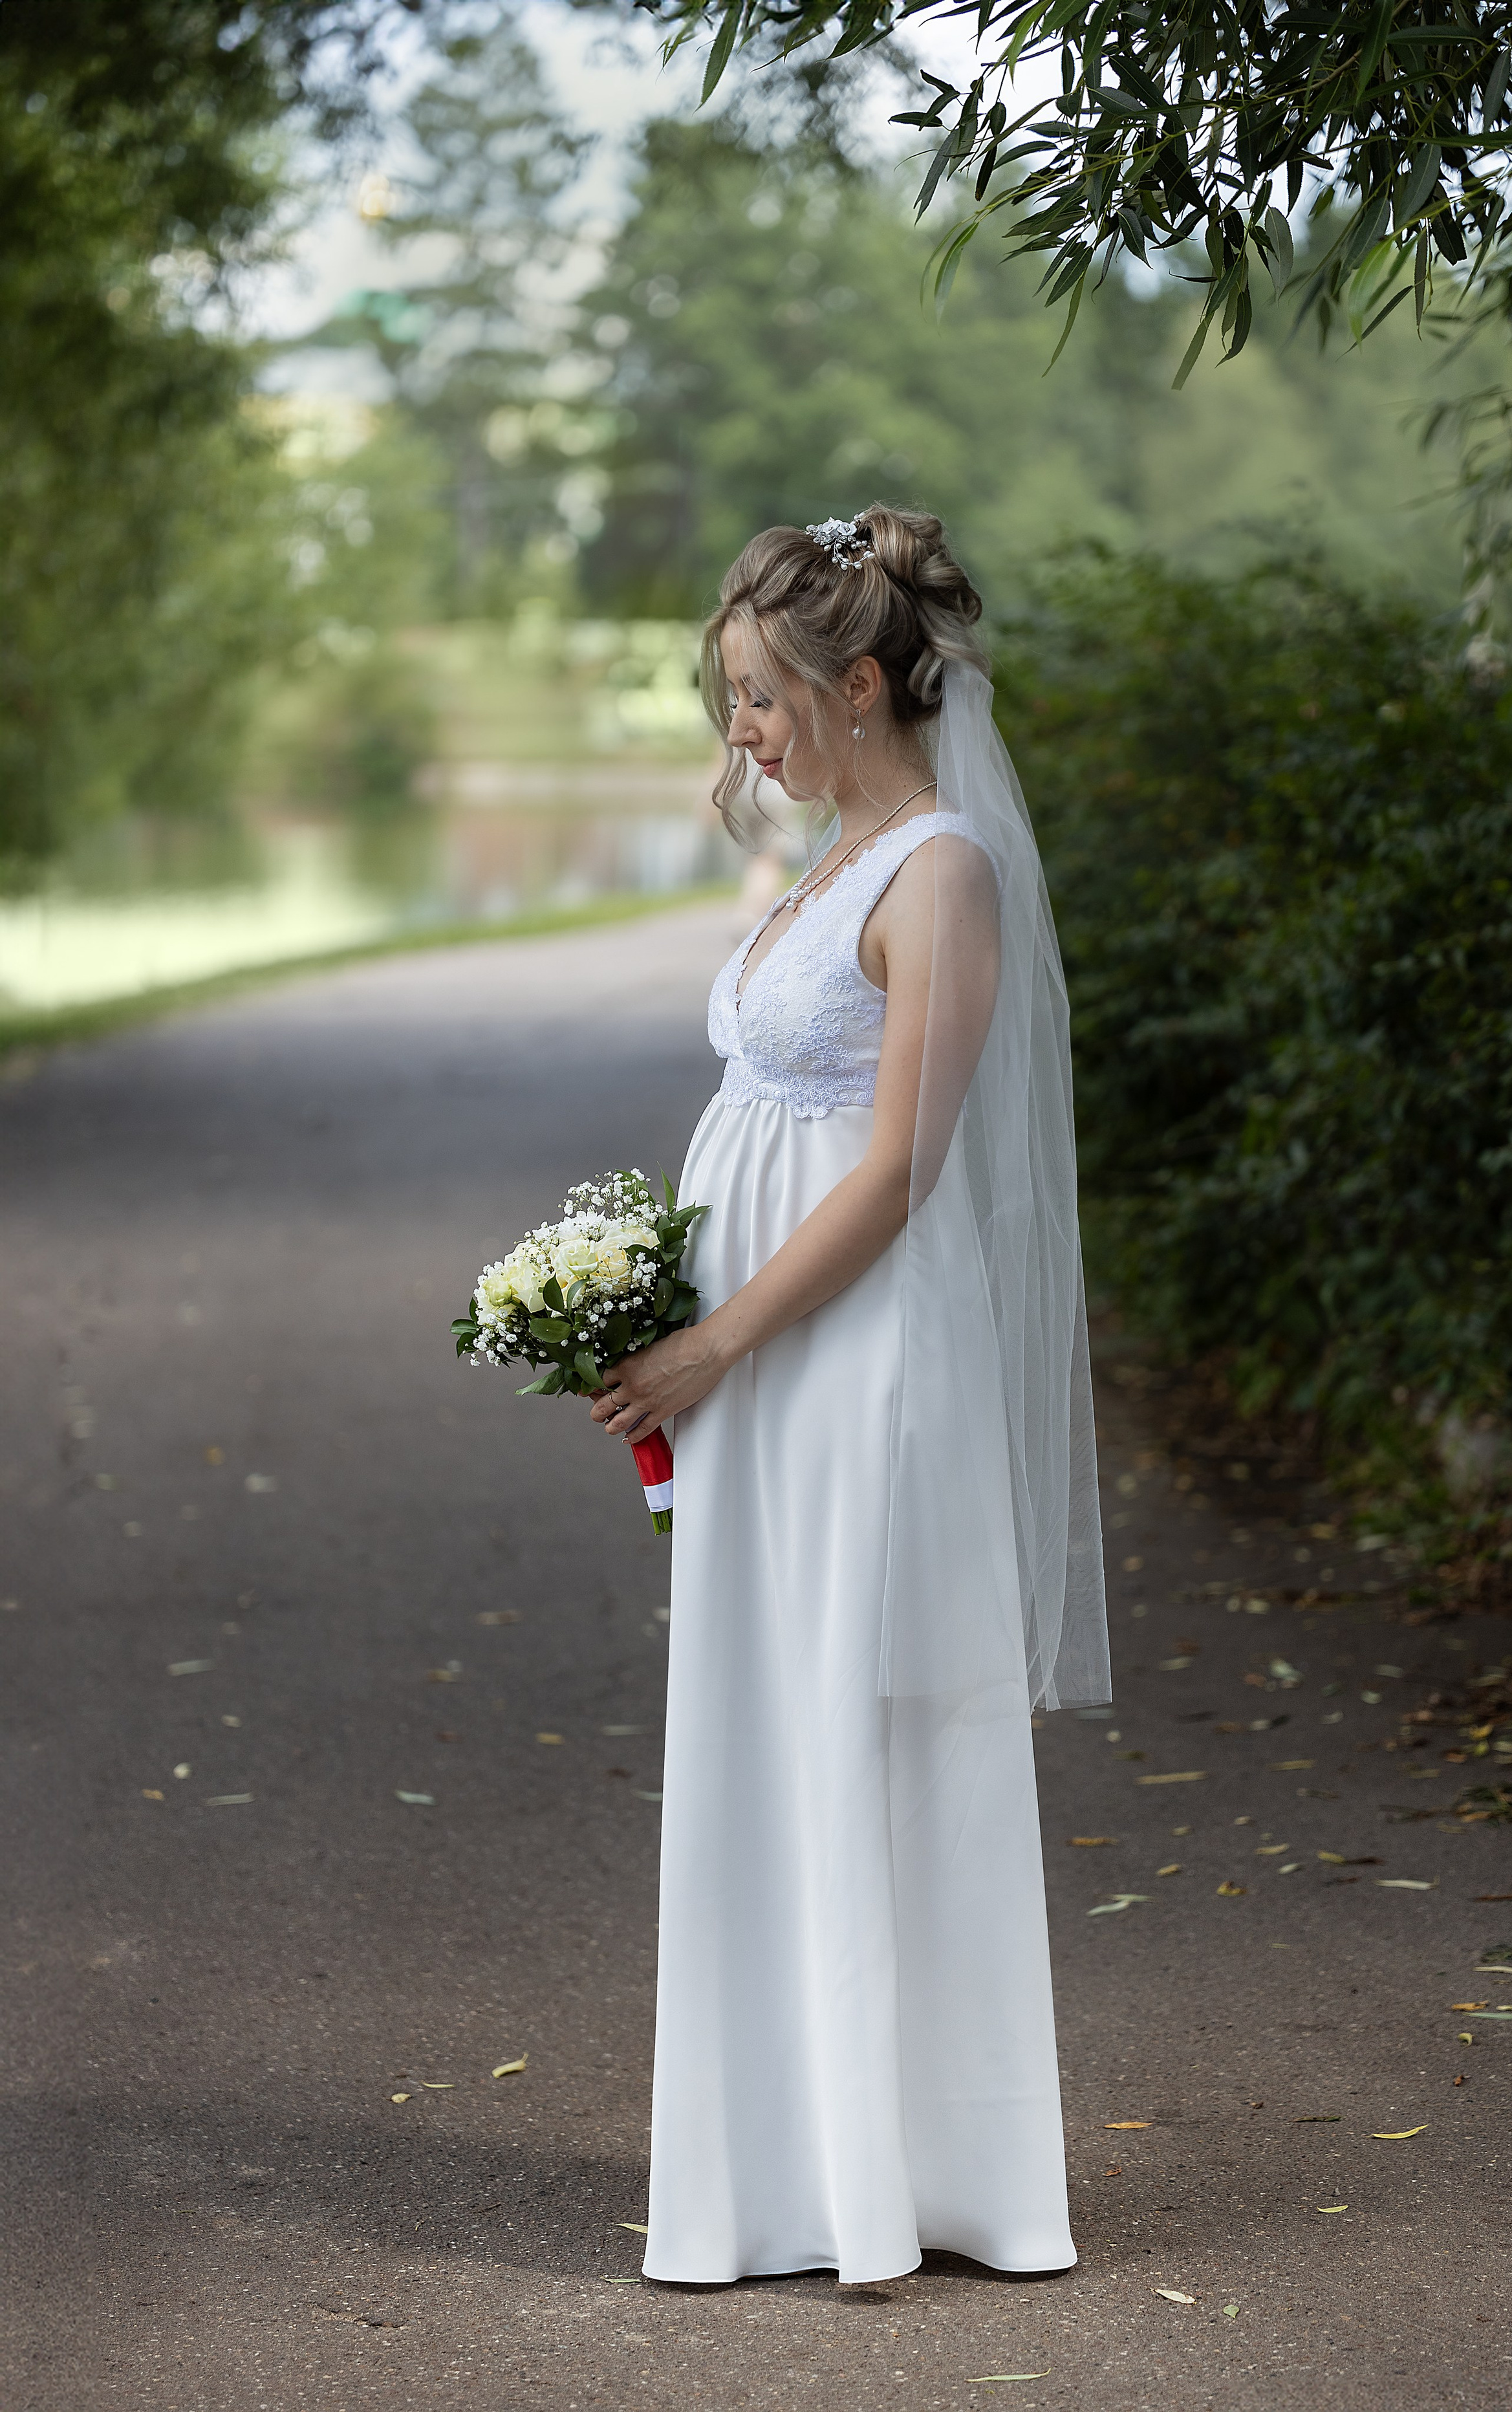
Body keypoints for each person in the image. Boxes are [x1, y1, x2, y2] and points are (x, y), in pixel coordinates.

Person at [589, 503, 1111, 2287]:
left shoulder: (939, 873)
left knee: (860, 1726)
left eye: (761, 695)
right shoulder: (828, 862)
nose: (742, 731)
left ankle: (910, 2174)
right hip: (761, 1363)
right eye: (733, 697)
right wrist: (642, 1298)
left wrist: (714, 1340)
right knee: (768, 1721)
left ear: (862, 685)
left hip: (853, 1361)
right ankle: (775, 2164)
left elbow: (894, 1172)